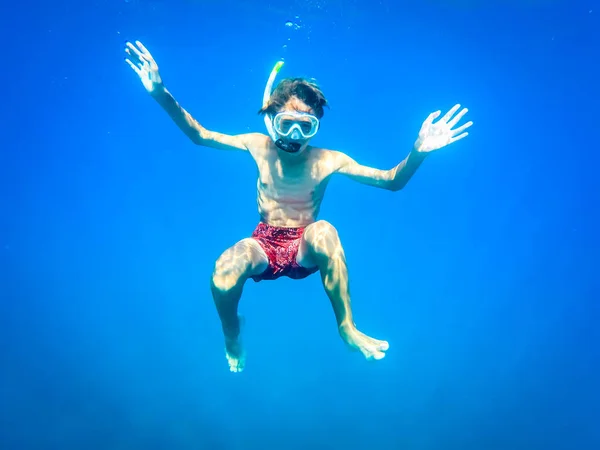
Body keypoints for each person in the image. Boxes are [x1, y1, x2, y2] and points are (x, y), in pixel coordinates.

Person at [125, 40, 473, 373]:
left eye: (304, 126)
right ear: (272, 119)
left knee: (325, 230)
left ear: (316, 127)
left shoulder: (330, 160)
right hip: (263, 242)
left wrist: (418, 153)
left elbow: (392, 180)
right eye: (286, 123)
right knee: (223, 274)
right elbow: (199, 135)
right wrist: (160, 92)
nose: (293, 134)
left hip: (306, 246)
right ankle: (232, 331)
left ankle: (347, 327)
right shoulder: (258, 145)